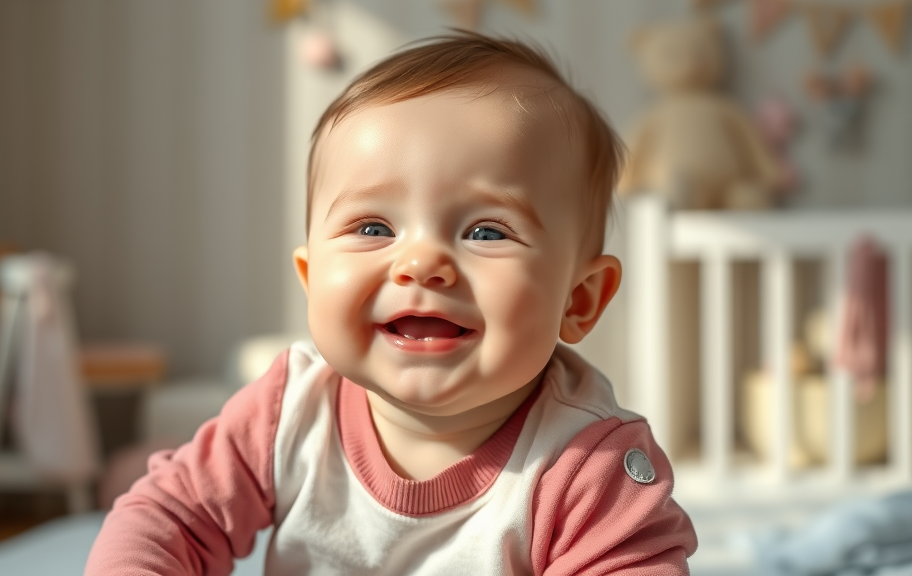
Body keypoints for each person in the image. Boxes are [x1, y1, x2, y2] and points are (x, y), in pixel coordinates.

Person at [85, 31, 698, 575]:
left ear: (579, 299)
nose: (421, 264)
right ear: (310, 276)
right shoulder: (290, 412)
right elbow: (168, 515)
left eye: (486, 232)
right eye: (374, 228)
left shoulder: (587, 465)